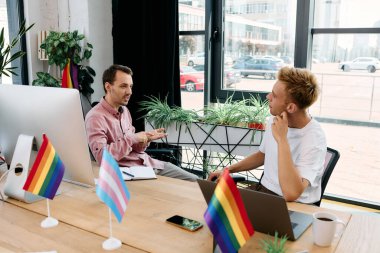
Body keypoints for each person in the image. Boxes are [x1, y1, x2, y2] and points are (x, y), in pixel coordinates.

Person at [208, 67, 327, 204]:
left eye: (274, 95)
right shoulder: (276, 119)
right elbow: (262, 155)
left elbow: (291, 193)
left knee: (231, 220)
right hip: (264, 192)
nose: (268, 97)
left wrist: (282, 139)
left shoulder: (314, 138)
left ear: (291, 108)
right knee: (216, 207)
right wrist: (227, 170)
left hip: (294, 204)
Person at [85, 64, 198, 182]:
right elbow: (101, 158)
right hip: (129, 172)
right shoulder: (95, 117)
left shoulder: (124, 111)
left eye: (130, 86)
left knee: (196, 181)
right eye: (123, 86)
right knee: (194, 184)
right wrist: (133, 138)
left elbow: (135, 149)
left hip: (146, 164)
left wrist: (145, 139)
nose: (129, 92)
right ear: (108, 86)